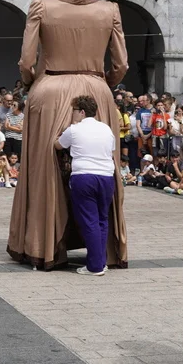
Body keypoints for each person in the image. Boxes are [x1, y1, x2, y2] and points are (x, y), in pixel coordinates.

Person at [7, 0, 130, 271]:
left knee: (45, 171)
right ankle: (102, 252)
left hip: (50, 89)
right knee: (102, 165)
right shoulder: (110, 10)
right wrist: (103, 84)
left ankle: (45, 247)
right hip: (97, 89)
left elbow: (27, 61)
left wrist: (32, 84)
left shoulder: (41, 6)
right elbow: (121, 64)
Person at [56, 95, 118, 276]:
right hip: (106, 176)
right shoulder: (106, 128)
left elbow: (57, 145)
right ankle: (101, 261)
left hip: (84, 176)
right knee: (102, 220)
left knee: (89, 221)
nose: (72, 114)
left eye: (74, 111)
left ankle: (95, 266)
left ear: (82, 112)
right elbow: (111, 149)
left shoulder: (74, 129)